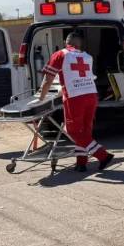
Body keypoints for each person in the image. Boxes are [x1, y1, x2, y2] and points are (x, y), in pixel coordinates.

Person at [34, 32, 114, 172]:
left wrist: (41, 99)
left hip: (75, 98)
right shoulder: (87, 57)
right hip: (91, 95)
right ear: (79, 44)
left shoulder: (60, 54)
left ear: (66, 41)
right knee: (85, 131)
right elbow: (76, 76)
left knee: (72, 131)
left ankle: (103, 156)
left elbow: (48, 80)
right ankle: (81, 163)